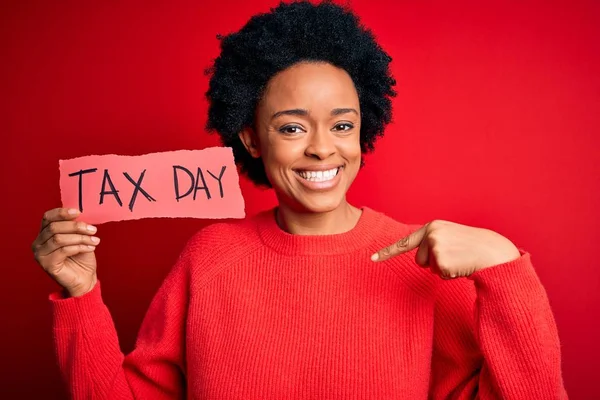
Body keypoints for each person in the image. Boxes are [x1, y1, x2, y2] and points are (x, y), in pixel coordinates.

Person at [31, 1, 568, 399]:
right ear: (251, 138)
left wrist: (503, 265)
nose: (321, 148)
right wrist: (81, 294)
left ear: (364, 130)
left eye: (342, 124)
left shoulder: (423, 264)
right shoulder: (210, 257)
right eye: (291, 127)